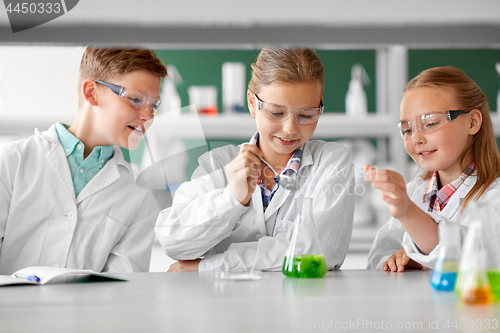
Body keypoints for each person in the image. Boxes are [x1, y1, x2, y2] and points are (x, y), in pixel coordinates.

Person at [155, 47, 354, 272]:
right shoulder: (216, 164)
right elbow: (173, 242)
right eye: (276, 113)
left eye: (306, 115)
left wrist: (208, 266)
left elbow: (317, 251)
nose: (290, 129)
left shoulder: (332, 162)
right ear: (252, 102)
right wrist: (232, 199)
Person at [0, 47, 168, 275]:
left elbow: (122, 287)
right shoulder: (12, 161)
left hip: (86, 312)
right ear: (91, 92)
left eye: (154, 105)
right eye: (136, 99)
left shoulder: (138, 195)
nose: (148, 116)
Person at [365, 66, 500, 272]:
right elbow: (378, 257)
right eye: (407, 129)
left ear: (473, 122)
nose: (416, 139)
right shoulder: (414, 191)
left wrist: (410, 215)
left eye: (430, 123)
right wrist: (396, 259)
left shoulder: (494, 194)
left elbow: (483, 253)